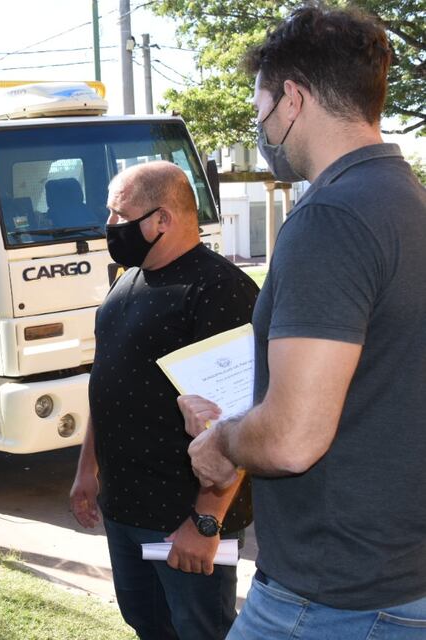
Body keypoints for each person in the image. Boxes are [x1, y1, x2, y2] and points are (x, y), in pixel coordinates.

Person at [177, 6, 426, 638]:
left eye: (259, 106)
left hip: (333, 598)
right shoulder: (408, 200)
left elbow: (291, 440)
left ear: (292, 98)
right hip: (397, 578)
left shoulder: (331, 217)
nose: (260, 127)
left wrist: (222, 441)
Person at [69, 161, 258, 639]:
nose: (109, 226)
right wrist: (86, 471)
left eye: (118, 214)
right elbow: (108, 384)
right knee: (147, 625)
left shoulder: (219, 289)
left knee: (199, 631)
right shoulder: (125, 281)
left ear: (161, 220)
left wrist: (207, 522)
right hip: (125, 509)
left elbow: (239, 418)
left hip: (182, 520)